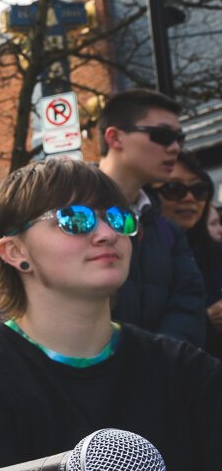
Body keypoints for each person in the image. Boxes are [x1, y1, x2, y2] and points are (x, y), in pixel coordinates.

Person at [0, 157, 222, 471]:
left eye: (118, 218)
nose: (107, 233)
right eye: (75, 219)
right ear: (14, 251)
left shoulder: (187, 371)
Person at [94, 89, 205, 345]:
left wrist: (158, 363)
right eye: (163, 135)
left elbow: (188, 305)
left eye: (179, 138)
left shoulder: (167, 230)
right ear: (115, 137)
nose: (175, 148)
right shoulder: (70, 215)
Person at [156, 153, 222, 359]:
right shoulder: (139, 252)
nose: (189, 198)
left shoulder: (214, 251)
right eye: (174, 189)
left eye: (199, 189)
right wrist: (206, 319)